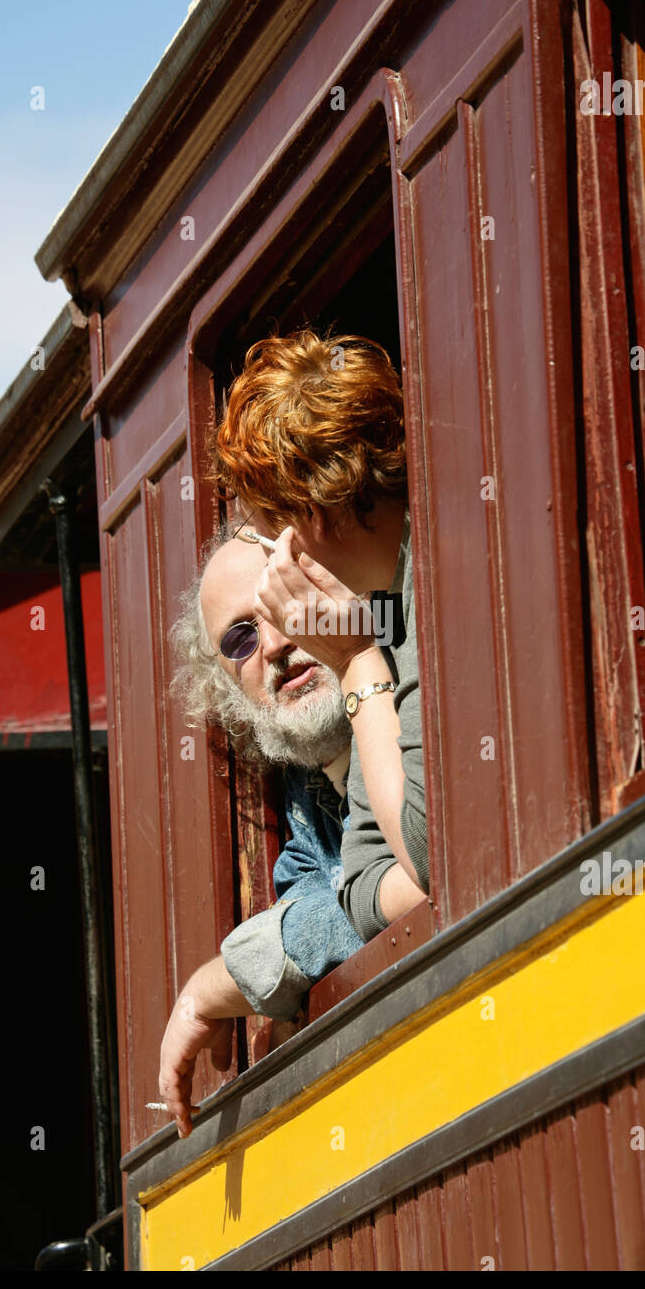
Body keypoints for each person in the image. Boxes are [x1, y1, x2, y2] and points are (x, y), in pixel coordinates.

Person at [211, 329, 429, 946]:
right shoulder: (385, 609)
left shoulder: (411, 602)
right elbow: (361, 882)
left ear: (303, 513)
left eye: (267, 528)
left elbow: (429, 856)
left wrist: (357, 660)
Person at [159, 522, 363, 1137]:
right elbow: (313, 892)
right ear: (227, 688)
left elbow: (399, 890)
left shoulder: (412, 710)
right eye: (241, 638)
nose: (274, 643)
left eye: (284, 597)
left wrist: (217, 984)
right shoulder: (309, 775)